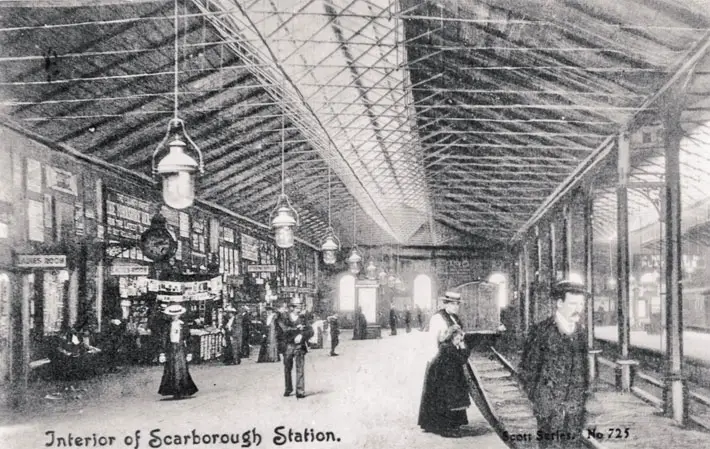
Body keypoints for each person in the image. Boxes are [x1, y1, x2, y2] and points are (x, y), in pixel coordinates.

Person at [518, 280, 589, 449]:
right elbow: (528, 370)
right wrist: (540, 398)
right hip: (548, 406)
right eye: (573, 303)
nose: (578, 308)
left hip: (574, 406)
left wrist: (580, 395)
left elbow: (584, 368)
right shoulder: (541, 331)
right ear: (559, 303)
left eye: (581, 304)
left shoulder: (580, 332)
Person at [418, 325, 471, 437]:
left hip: (440, 375)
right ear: (451, 337)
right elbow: (462, 360)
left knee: (443, 400)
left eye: (460, 340)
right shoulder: (449, 347)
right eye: (457, 339)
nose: (458, 342)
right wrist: (464, 348)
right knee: (449, 400)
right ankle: (447, 428)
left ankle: (444, 425)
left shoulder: (446, 346)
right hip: (441, 376)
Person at [158, 304, 198, 399]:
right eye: (173, 315)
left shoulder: (183, 326)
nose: (174, 317)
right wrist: (162, 353)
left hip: (180, 348)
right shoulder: (167, 326)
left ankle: (182, 390)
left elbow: (188, 339)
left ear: (180, 315)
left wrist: (189, 352)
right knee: (171, 369)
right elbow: (163, 339)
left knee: (181, 369)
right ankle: (174, 390)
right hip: (171, 348)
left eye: (176, 315)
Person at [278, 300, 314, 398]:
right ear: (291, 308)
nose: (300, 309)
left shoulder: (304, 319)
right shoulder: (284, 318)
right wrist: (297, 329)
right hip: (288, 346)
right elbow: (284, 330)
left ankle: (300, 391)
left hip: (299, 346)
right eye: (298, 307)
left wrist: (302, 336)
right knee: (287, 368)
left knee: (300, 368)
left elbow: (311, 331)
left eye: (301, 307)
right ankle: (288, 388)